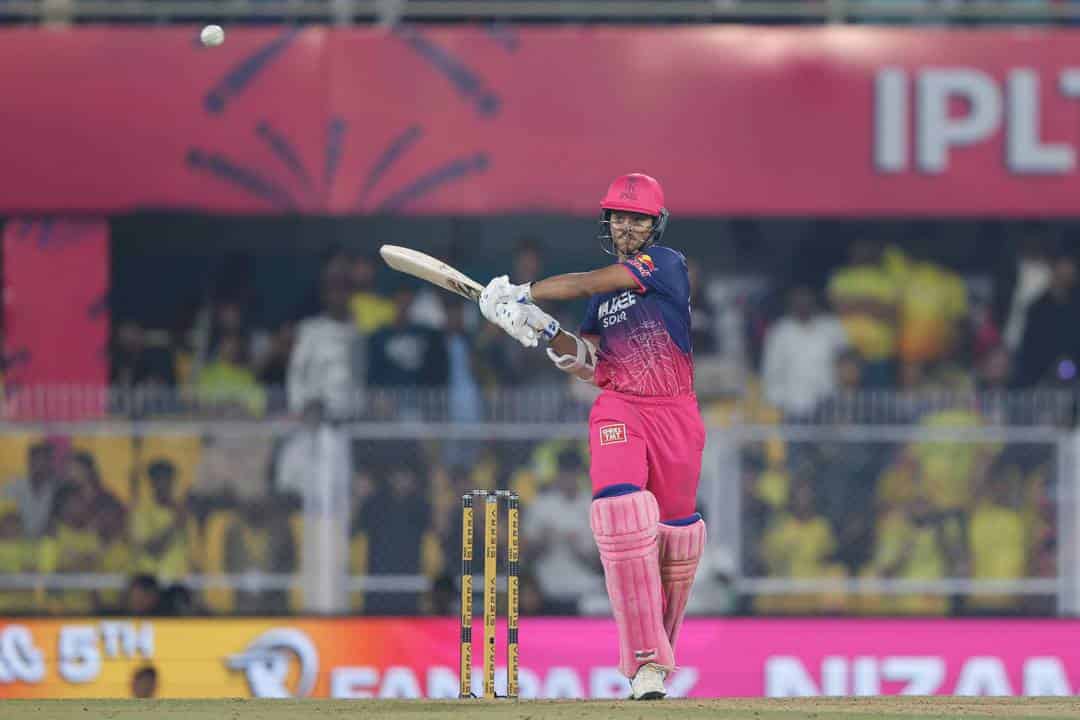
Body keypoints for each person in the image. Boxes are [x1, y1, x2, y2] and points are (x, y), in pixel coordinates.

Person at [479, 173, 706, 700]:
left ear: (655, 225)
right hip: (620, 405)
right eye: (619, 217)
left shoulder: (665, 264)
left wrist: (523, 292)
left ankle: (659, 663)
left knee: (677, 541)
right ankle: (644, 661)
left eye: (637, 219)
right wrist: (541, 329)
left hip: (675, 411)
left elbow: (586, 282)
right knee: (621, 516)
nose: (626, 226)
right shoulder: (601, 301)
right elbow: (587, 361)